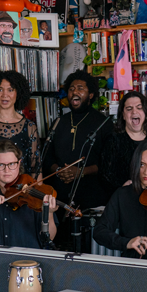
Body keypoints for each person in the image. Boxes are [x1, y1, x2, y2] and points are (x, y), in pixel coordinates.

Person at [43, 70, 112, 212]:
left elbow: (109, 163)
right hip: (59, 197)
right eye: (71, 89)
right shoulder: (58, 122)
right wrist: (58, 170)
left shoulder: (104, 123)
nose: (75, 92)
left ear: (91, 94)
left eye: (80, 88)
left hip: (92, 198)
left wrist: (81, 172)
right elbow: (46, 157)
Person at [99, 91, 147, 191]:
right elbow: (105, 175)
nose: (134, 112)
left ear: (146, 113)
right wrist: (122, 185)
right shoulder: (113, 140)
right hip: (125, 197)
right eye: (129, 109)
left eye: (139, 107)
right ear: (123, 115)